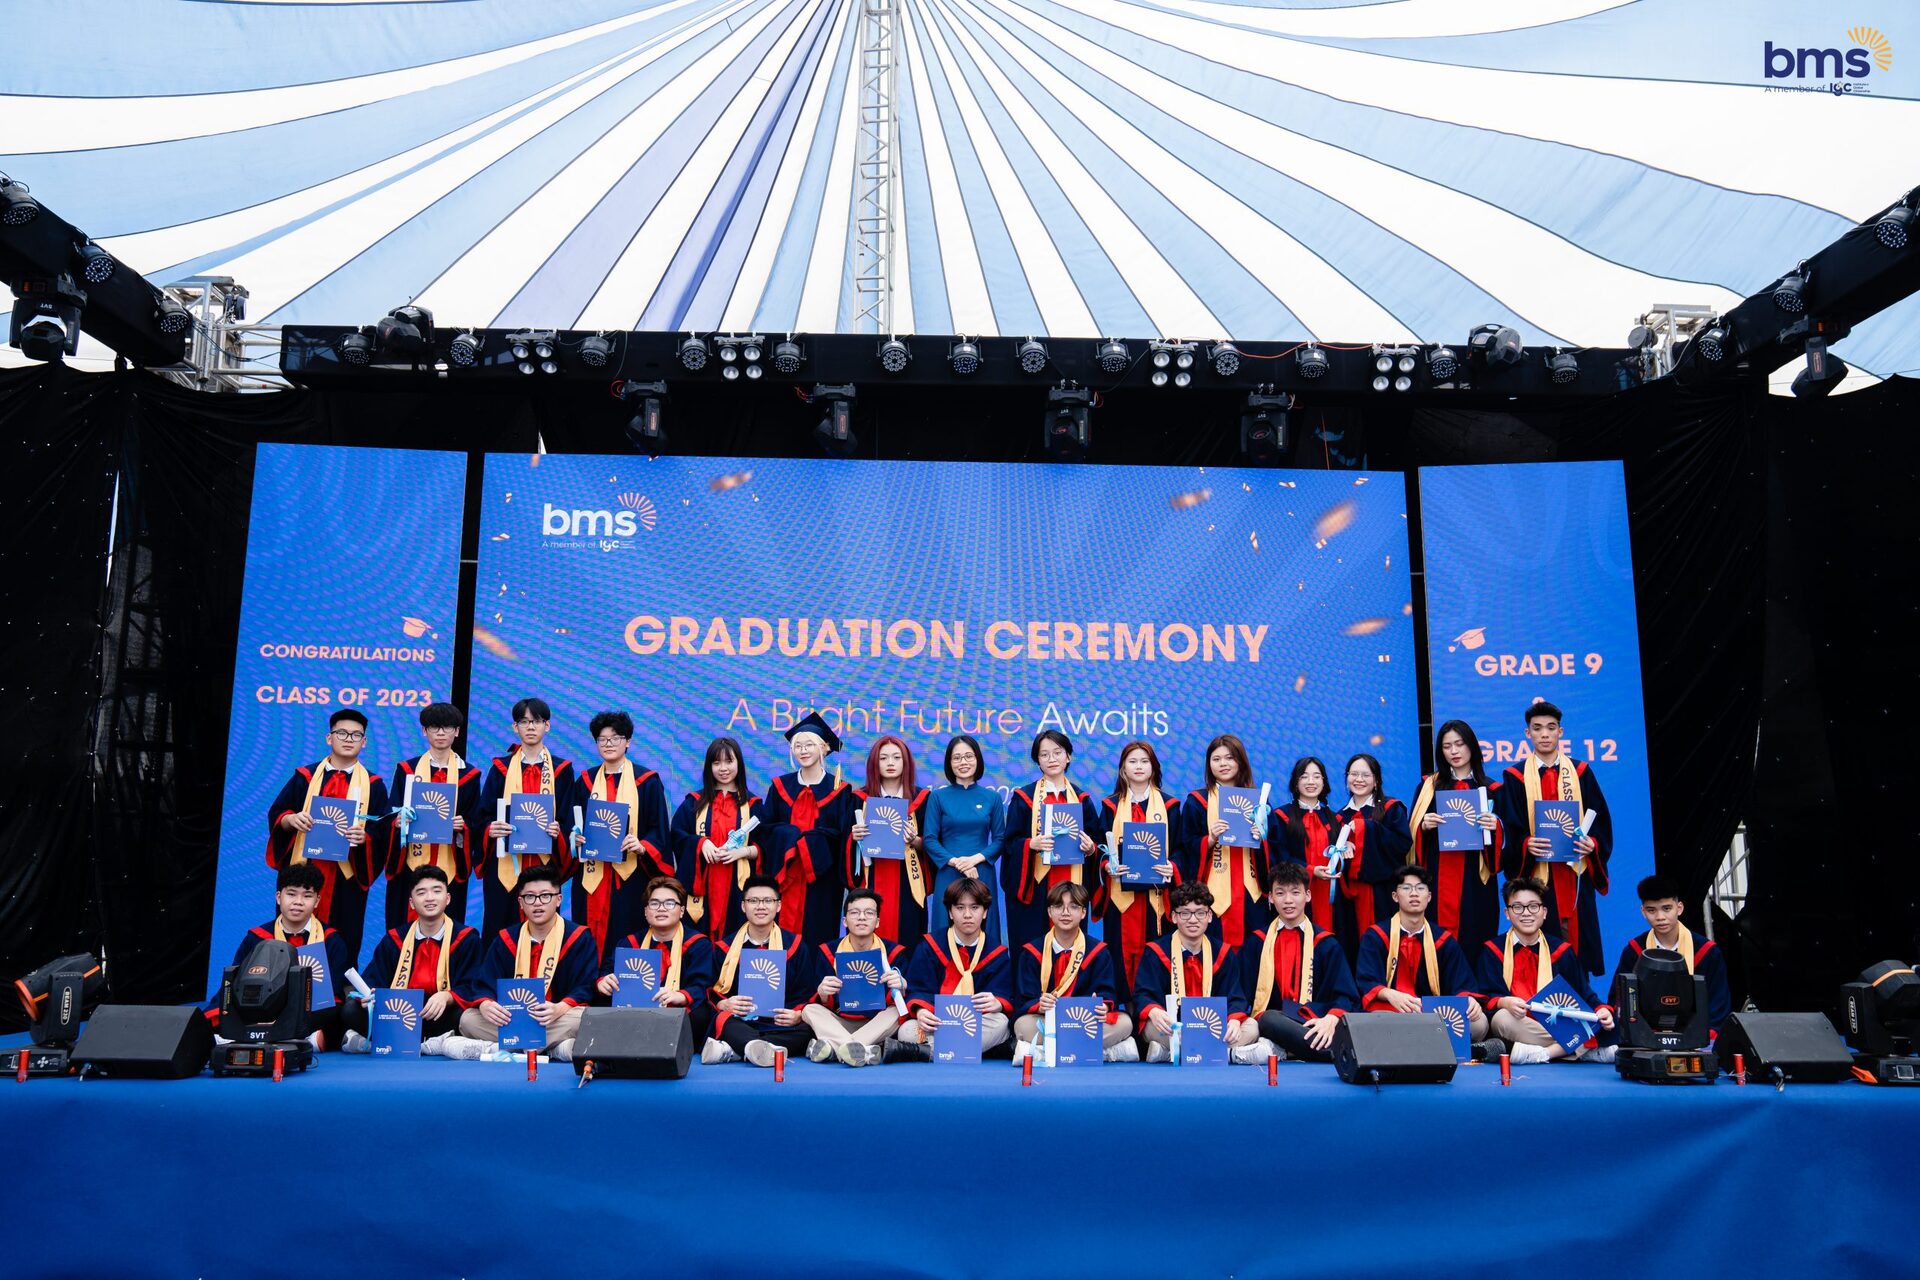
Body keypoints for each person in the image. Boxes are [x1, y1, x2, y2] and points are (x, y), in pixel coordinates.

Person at [1494, 701, 1613, 974]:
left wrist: (1592, 844)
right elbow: (1510, 828)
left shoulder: (1581, 773)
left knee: (1577, 946)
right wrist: (1526, 844)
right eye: (1537, 729)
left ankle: (1579, 995)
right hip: (1538, 876)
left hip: (1574, 873)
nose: (1544, 734)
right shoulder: (1514, 777)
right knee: (1539, 949)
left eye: (1551, 728)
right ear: (1528, 734)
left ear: (1561, 731)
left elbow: (1601, 822)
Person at [265, 707, 389, 965]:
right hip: (303, 869)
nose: (348, 739)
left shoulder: (374, 785)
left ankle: (336, 989)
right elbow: (279, 812)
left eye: (356, 735)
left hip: (346, 878)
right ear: (329, 738)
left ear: (364, 742)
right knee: (292, 933)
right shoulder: (305, 777)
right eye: (341, 733)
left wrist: (364, 837)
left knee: (343, 941)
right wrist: (291, 820)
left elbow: (382, 831)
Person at [445, 867, 597, 1060]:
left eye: (545, 896)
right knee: (468, 1020)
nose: (537, 903)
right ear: (520, 902)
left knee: (583, 1019)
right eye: (530, 897)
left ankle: (504, 1047)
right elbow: (484, 983)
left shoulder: (578, 938)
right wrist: (485, 1004)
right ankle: (551, 1049)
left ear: (559, 899)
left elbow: (585, 986)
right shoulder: (506, 939)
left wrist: (560, 1008)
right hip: (512, 1019)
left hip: (555, 1018)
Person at [343, 865, 487, 1055]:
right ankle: (431, 1043)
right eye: (421, 892)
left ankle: (385, 1042)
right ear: (411, 903)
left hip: (441, 1014)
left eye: (437, 891)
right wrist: (369, 996)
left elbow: (474, 985)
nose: (429, 898)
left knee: (466, 1017)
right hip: (398, 1014)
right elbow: (374, 979)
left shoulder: (466, 939)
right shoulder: (395, 939)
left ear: (448, 898)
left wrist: (448, 996)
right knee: (350, 1010)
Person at [568, 710, 673, 963]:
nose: (609, 744)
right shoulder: (585, 782)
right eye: (602, 739)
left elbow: (658, 828)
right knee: (588, 936)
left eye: (616, 738)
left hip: (631, 877)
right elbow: (573, 824)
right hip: (592, 876)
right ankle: (590, 982)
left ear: (628, 742)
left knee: (629, 935)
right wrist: (575, 838)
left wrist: (642, 845)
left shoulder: (647, 781)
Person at [212, 863, 352, 1049]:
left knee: (339, 1013)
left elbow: (333, 991)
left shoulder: (331, 940)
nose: (298, 902)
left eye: (307, 896)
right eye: (291, 894)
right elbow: (236, 981)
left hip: (311, 1010)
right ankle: (297, 1038)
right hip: (262, 1007)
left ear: (317, 901)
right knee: (225, 1006)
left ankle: (256, 1035)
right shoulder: (257, 937)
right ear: (279, 897)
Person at [1479, 877, 1614, 1064]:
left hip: (1558, 1022)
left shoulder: (1562, 951)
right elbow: (1487, 996)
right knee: (1501, 1019)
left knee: (1602, 1021)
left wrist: (1602, 1010)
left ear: (1544, 912)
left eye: (1533, 906)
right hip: (1522, 1024)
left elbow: (1584, 994)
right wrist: (1504, 1002)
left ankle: (1544, 1053)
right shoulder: (1493, 951)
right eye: (1517, 907)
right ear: (1507, 913)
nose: (1526, 913)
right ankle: (1584, 1050)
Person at [475, 698, 577, 943]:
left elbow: (569, 820)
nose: (530, 727)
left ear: (547, 726)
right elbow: (483, 815)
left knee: (543, 930)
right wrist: (491, 828)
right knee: (500, 929)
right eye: (524, 721)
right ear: (515, 727)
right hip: (504, 866)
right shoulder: (500, 768)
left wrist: (559, 831)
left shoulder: (562, 771)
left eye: (537, 721)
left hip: (544, 863)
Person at [1355, 863, 1490, 1042]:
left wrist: (1468, 1000)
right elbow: (1366, 982)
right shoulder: (1376, 937)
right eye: (1406, 888)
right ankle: (1426, 1042)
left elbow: (1461, 982)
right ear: (1395, 896)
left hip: (1434, 1015)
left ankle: (1414, 1041)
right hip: (1391, 1011)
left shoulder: (1443, 940)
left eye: (1420, 888)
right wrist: (1390, 994)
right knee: (1374, 1024)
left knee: (1479, 1022)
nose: (1414, 893)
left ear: (1429, 896)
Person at [1241, 861, 1358, 1064]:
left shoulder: (1326, 944)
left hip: (1314, 1023)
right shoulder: (1256, 943)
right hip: (1272, 1023)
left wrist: (1331, 1018)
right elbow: (1239, 993)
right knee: (1268, 1019)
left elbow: (1346, 995)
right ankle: (1334, 1053)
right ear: (1271, 898)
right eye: (1280, 893)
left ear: (1308, 895)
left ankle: (1286, 1049)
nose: (1288, 900)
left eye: (1295, 893)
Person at [1130, 883, 1258, 1062]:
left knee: (1252, 1026)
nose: (1192, 920)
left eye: (1200, 913)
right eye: (1185, 913)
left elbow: (1235, 997)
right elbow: (1143, 994)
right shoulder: (1156, 952)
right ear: (1174, 917)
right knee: (1150, 1026)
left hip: (1212, 1029)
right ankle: (1222, 1053)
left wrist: (1234, 1021)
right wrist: (1154, 1011)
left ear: (1209, 916)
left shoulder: (1222, 953)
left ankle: (1173, 1053)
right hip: (1175, 1027)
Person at [383, 701, 482, 932]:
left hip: (449, 862)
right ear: (424, 731)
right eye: (434, 727)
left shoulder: (469, 775)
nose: (440, 733)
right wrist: (398, 821)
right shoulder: (407, 770)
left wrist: (463, 826)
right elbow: (391, 812)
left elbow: (475, 821)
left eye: (447, 727)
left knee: (448, 930)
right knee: (403, 928)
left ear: (457, 732)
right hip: (410, 862)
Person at [1011, 881, 1138, 1062]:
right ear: (1049, 912)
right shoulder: (1032, 952)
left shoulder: (1098, 952)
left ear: (1083, 913)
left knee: (1125, 1023)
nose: (1065, 912)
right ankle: (1102, 1052)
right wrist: (1039, 1005)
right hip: (1049, 1020)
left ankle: (1045, 1051)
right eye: (1058, 906)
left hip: (1085, 1023)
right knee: (1022, 1025)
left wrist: (1103, 1006)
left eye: (1073, 907)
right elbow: (1023, 998)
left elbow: (1107, 993)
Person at [1407, 720, 1503, 957]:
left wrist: (1496, 827)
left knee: (1475, 937)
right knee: (1438, 943)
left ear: (1472, 746)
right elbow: (1410, 835)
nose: (1454, 751)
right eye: (1447, 746)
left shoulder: (1492, 789)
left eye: (1459, 744)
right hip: (1438, 874)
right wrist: (1423, 826)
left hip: (1475, 878)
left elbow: (1508, 838)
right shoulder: (1428, 787)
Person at [703, 874, 820, 1068]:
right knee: (724, 1020)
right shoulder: (725, 948)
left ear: (778, 906)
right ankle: (760, 1048)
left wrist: (797, 1014)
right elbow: (709, 990)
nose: (760, 906)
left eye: (768, 901)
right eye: (753, 901)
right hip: (740, 1020)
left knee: (806, 1030)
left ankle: (737, 1050)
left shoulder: (796, 946)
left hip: (779, 1023)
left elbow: (806, 991)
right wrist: (724, 1003)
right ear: (743, 906)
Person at [1000, 731, 1102, 952]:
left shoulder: (1082, 800)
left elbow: (1097, 844)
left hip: (1073, 880)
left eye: (1057, 752)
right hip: (1037, 887)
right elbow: (1010, 843)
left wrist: (1090, 849)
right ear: (1038, 760)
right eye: (1044, 754)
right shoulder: (1024, 798)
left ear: (1068, 756)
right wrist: (1030, 844)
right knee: (1034, 944)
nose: (1052, 759)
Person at [759, 712, 856, 943]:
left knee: (818, 933)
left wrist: (809, 843)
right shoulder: (779, 787)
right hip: (784, 875)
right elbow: (765, 831)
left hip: (822, 879)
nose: (803, 750)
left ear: (824, 748)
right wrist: (790, 837)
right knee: (778, 937)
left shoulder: (840, 790)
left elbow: (842, 837)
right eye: (797, 746)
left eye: (809, 744)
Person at [1097, 739, 1182, 1002]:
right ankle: (1124, 1007)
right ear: (1123, 768)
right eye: (1132, 761)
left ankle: (1152, 1008)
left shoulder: (1170, 806)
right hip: (1120, 899)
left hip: (1156, 899)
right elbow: (1100, 850)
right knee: (1119, 953)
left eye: (1145, 761)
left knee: (1155, 952)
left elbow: (1181, 849)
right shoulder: (1110, 806)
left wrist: (1172, 866)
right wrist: (1107, 866)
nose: (1138, 766)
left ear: (1154, 767)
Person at [893, 878, 1013, 1060]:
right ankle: (976, 1050)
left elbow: (1003, 993)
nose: (967, 915)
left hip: (975, 1023)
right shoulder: (930, 946)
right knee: (907, 1031)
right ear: (950, 912)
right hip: (938, 1021)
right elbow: (918, 989)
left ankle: (928, 1052)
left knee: (1001, 1023)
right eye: (960, 908)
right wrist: (921, 1011)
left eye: (975, 907)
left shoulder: (996, 953)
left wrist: (997, 1002)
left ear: (985, 912)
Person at [594, 876, 717, 1040]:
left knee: (701, 1014)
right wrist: (603, 981)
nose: (661, 909)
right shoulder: (629, 943)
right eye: (654, 903)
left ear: (681, 911)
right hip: (633, 1009)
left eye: (670, 903)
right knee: (600, 1006)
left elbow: (701, 984)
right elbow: (607, 971)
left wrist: (679, 995)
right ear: (646, 911)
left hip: (675, 1009)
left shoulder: (698, 944)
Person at [1178, 734, 1270, 949]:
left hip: (1251, 893)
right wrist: (1209, 840)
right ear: (1209, 764)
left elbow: (1274, 848)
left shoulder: (1259, 803)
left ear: (1240, 761)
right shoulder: (1197, 802)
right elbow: (1184, 847)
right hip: (1212, 893)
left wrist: (1261, 837)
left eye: (1229, 758)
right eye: (1216, 759)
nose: (1223, 764)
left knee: (1252, 952)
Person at [1608, 873, 1731, 1032]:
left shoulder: (1706, 952)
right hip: (1645, 1036)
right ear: (1643, 911)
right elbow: (1619, 999)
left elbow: (1719, 1003)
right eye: (1651, 910)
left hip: (1696, 1036)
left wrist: (1704, 1036)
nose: (1660, 917)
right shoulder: (1634, 950)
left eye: (1667, 909)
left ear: (1679, 908)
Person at [668, 737, 763, 940]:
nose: (723, 768)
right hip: (702, 883)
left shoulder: (753, 805)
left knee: (735, 937)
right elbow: (677, 835)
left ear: (739, 763)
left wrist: (742, 852)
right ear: (709, 766)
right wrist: (701, 843)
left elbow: (766, 846)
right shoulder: (694, 803)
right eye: (716, 762)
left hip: (737, 886)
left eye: (729, 761)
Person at [845, 736, 933, 952]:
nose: (890, 763)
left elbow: (932, 844)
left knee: (908, 940)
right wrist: (854, 839)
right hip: (871, 879)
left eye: (896, 757)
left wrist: (915, 840)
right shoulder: (858, 799)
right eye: (883, 758)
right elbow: (844, 848)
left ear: (906, 762)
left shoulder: (923, 800)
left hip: (908, 883)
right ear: (874, 763)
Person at [802, 888, 907, 1066]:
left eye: (869, 913)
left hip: (876, 1023)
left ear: (877, 921)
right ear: (845, 921)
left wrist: (902, 986)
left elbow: (902, 1001)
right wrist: (823, 993)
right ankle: (859, 1050)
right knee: (809, 1010)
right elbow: (824, 1003)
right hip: (839, 1022)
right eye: (855, 912)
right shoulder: (828, 952)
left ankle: (836, 1048)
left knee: (898, 1011)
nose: (862, 917)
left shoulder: (894, 953)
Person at [921, 735, 1005, 946]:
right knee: (944, 931)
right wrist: (956, 862)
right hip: (948, 871)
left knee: (984, 931)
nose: (963, 762)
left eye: (969, 756)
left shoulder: (992, 798)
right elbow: (930, 839)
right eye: (957, 758)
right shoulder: (938, 797)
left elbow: (1000, 839)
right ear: (949, 763)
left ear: (978, 759)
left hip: (981, 871)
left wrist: (974, 859)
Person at [1333, 752, 1412, 950]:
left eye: (1366, 775)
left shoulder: (1391, 809)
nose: (1359, 779)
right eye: (1353, 774)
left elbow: (1402, 844)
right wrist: (1342, 847)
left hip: (1384, 894)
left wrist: (1364, 829)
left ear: (1376, 781)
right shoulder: (1338, 817)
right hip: (1350, 898)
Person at [1269, 756, 1344, 956]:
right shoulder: (1281, 817)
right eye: (1304, 776)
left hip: (1330, 895)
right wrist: (1310, 870)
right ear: (1295, 782)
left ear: (1324, 782)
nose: (1311, 782)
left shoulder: (1334, 818)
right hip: (1295, 892)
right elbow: (1279, 856)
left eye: (1316, 776)